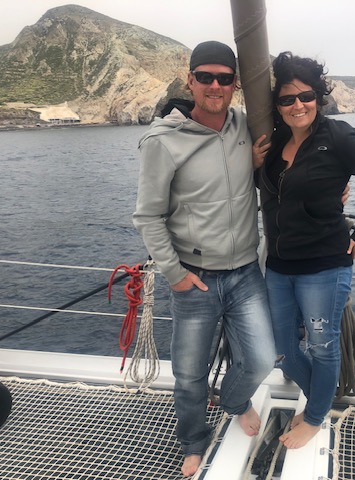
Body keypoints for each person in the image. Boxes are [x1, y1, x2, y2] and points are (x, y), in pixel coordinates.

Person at [132, 41, 276, 477]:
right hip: (193, 277)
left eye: (225, 78)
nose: (216, 86)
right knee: (189, 374)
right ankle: (193, 441)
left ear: (235, 84)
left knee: (261, 359)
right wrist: (174, 275)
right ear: (190, 79)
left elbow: (298, 144)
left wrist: (335, 188)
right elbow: (148, 216)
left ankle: (234, 400)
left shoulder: (244, 125)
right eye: (206, 77)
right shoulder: (163, 141)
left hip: (245, 272)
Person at [252, 51, 355, 449]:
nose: (298, 105)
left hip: (324, 268)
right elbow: (271, 190)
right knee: (283, 347)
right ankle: (320, 397)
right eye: (287, 98)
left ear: (318, 97)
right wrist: (252, 164)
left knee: (322, 345)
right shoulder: (277, 140)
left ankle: (316, 415)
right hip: (279, 267)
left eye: (306, 96)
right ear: (278, 105)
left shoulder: (337, 137)